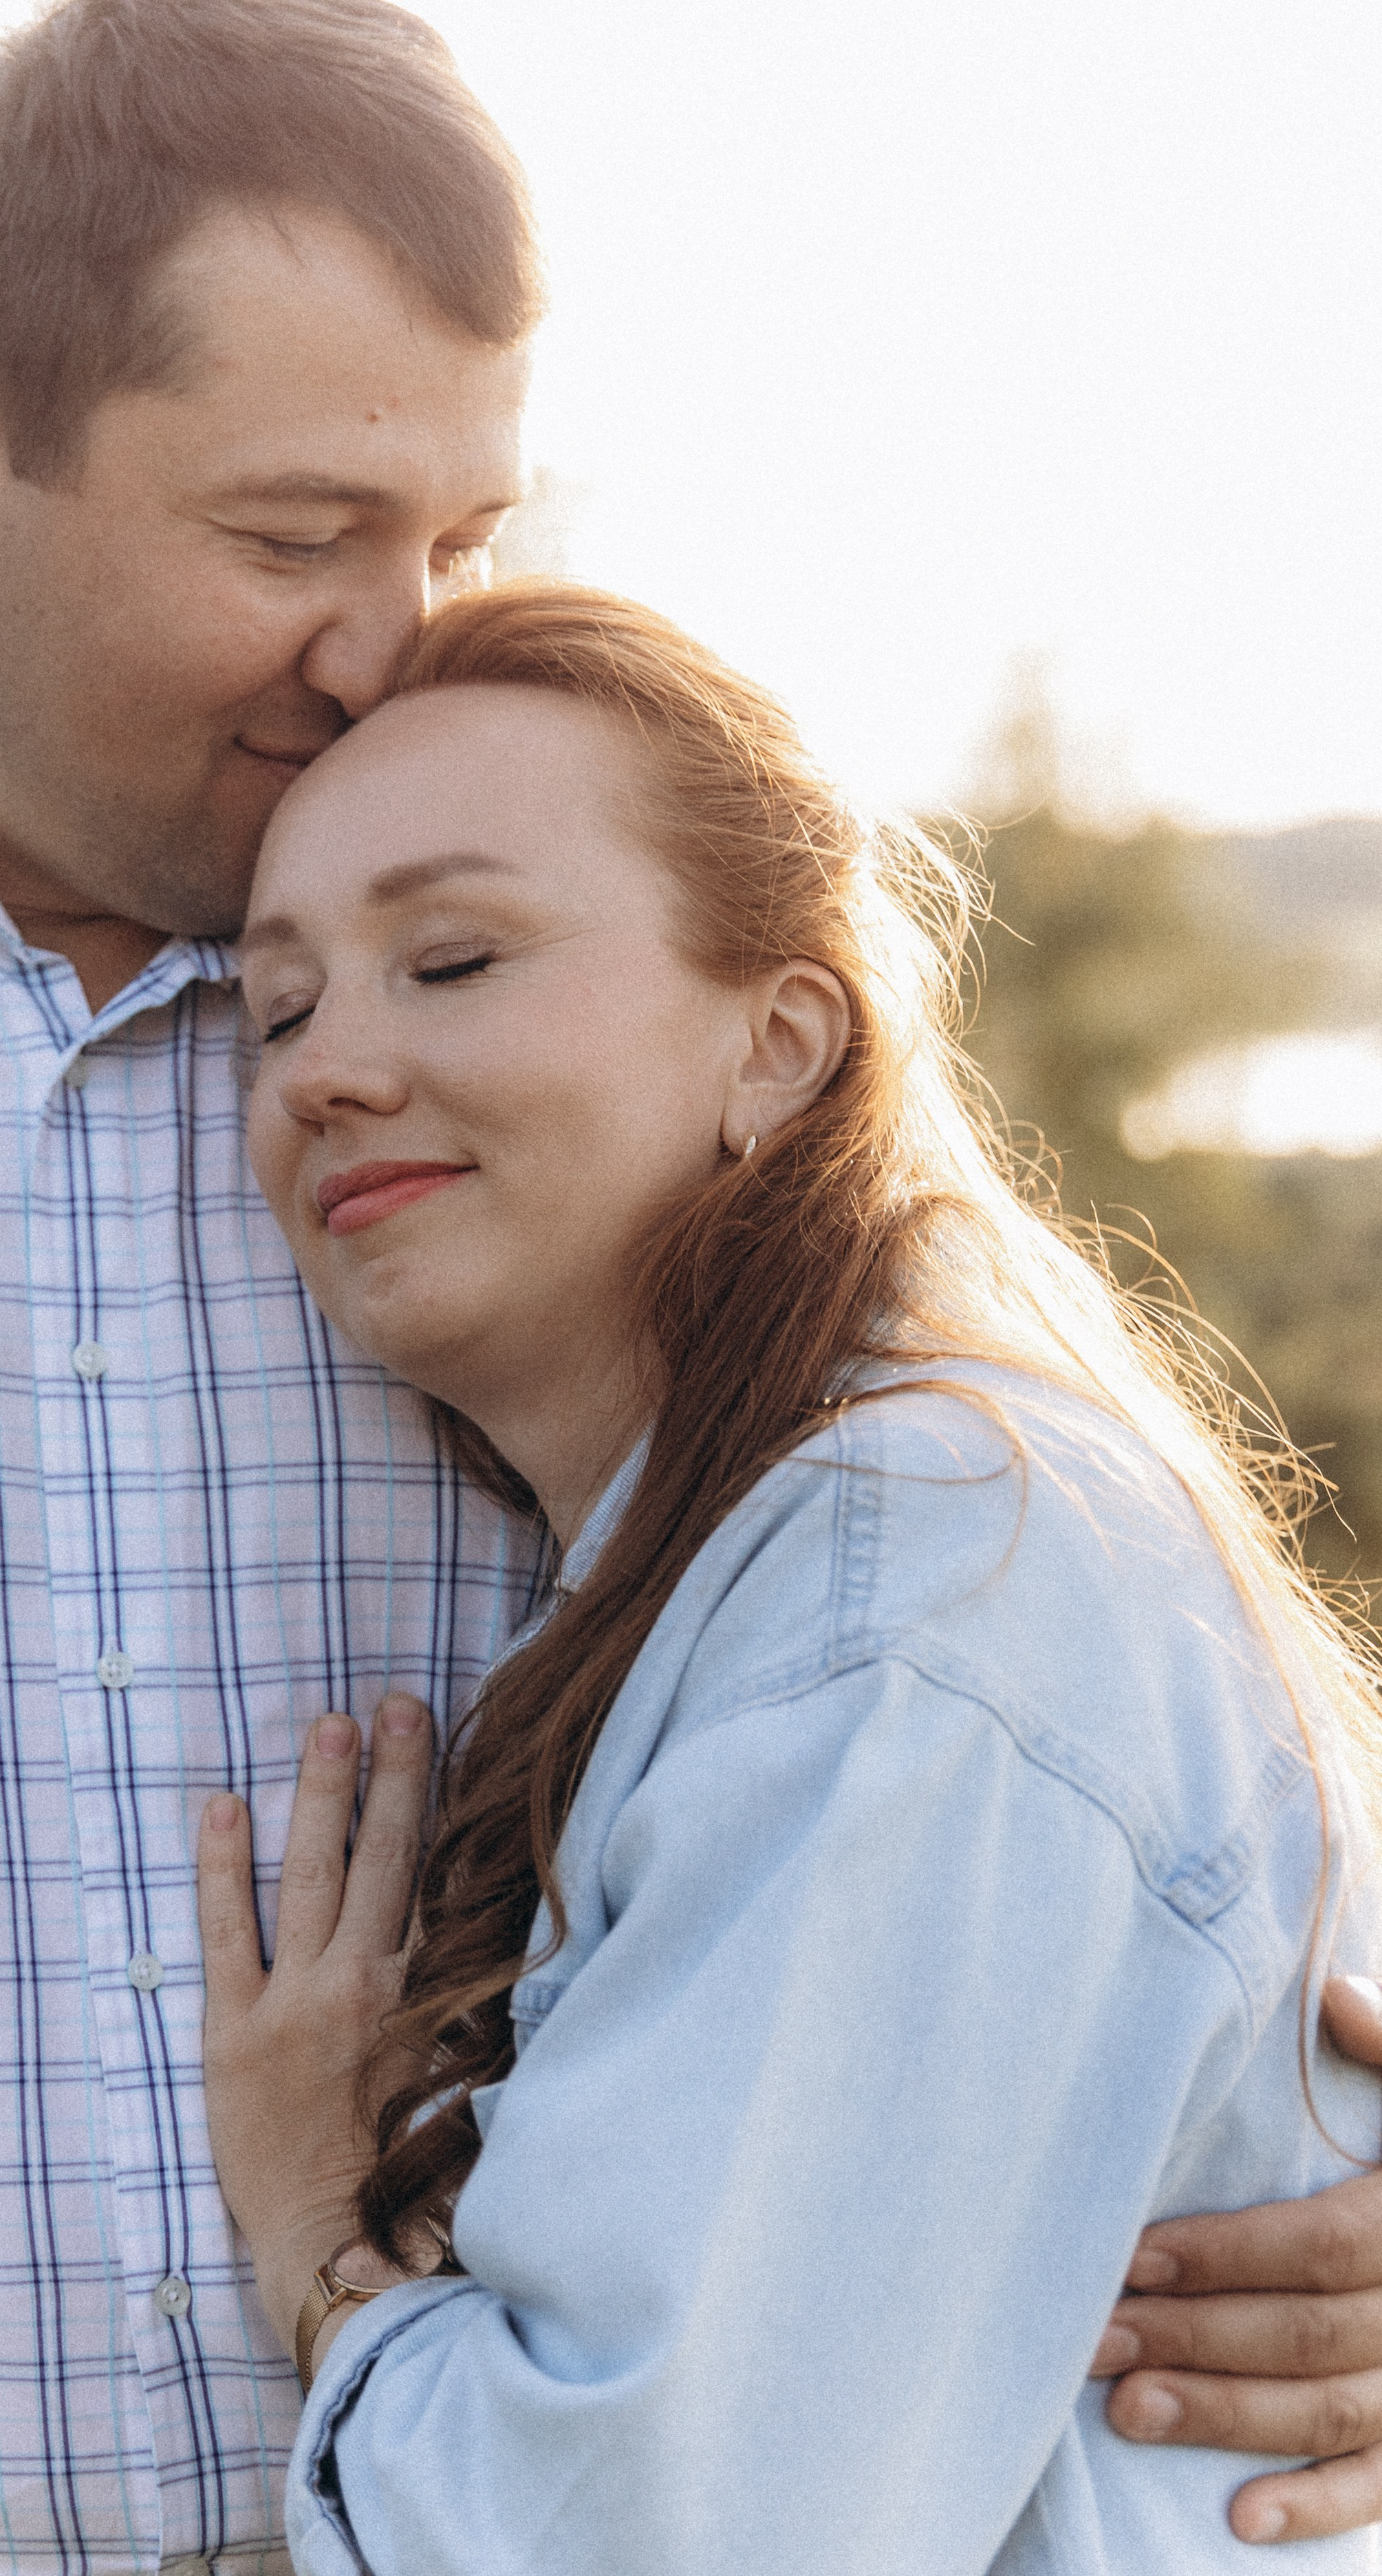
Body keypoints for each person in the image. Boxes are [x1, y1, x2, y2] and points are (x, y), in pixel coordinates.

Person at [0, 2, 1381, 2570]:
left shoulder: (598, 1077)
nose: (392, 640)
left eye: (459, 536)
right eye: (294, 537)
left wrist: (1275, 2123)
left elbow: (1080, 1770)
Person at [197, 581, 1382, 2571]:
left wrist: (320, 2234)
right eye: (280, 1007)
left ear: (782, 1042)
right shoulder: (798, 1558)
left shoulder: (910, 1593)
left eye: (456, 956)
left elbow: (627, 2541)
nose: (324, 1067)